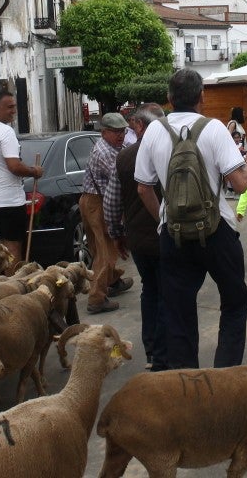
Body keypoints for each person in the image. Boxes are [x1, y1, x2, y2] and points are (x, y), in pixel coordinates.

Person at [135, 69, 247, 369]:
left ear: (168, 99)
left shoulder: (154, 131)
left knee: (178, 313)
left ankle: (187, 389)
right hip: (216, 230)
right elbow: (241, 183)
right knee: (234, 301)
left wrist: (164, 219)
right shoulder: (215, 129)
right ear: (202, 98)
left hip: (173, 235)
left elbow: (143, 187)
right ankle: (224, 378)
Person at [104, 103, 168, 371]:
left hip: (139, 238)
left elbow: (111, 202)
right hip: (166, 235)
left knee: (150, 291)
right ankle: (167, 350)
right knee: (168, 291)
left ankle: (153, 351)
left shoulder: (125, 157)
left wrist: (117, 234)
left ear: (138, 126)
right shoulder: (169, 151)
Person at [0, 91, 43, 263]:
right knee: (13, 249)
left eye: (14, 106)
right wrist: (34, 171)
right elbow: (14, 166)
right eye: (10, 107)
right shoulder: (6, 131)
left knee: (4, 247)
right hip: (9, 200)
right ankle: (13, 287)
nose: (14, 110)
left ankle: (4, 284)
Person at [82, 112, 134, 314]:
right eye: (116, 132)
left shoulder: (114, 147)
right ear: (104, 132)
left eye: (123, 131)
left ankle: (113, 281)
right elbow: (121, 177)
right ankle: (96, 298)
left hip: (92, 199)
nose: (120, 135)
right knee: (107, 250)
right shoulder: (104, 152)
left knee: (99, 247)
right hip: (98, 202)